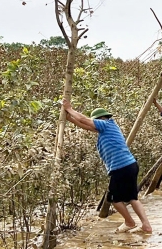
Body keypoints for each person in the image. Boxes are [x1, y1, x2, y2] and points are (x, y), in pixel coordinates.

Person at [62, 100, 152, 233]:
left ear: (101, 119)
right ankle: (146, 225)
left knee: (113, 199)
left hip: (120, 167)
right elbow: (85, 126)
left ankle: (130, 222)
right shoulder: (107, 128)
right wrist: (69, 118)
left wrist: (69, 109)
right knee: (132, 198)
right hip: (129, 165)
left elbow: (84, 120)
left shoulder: (106, 124)